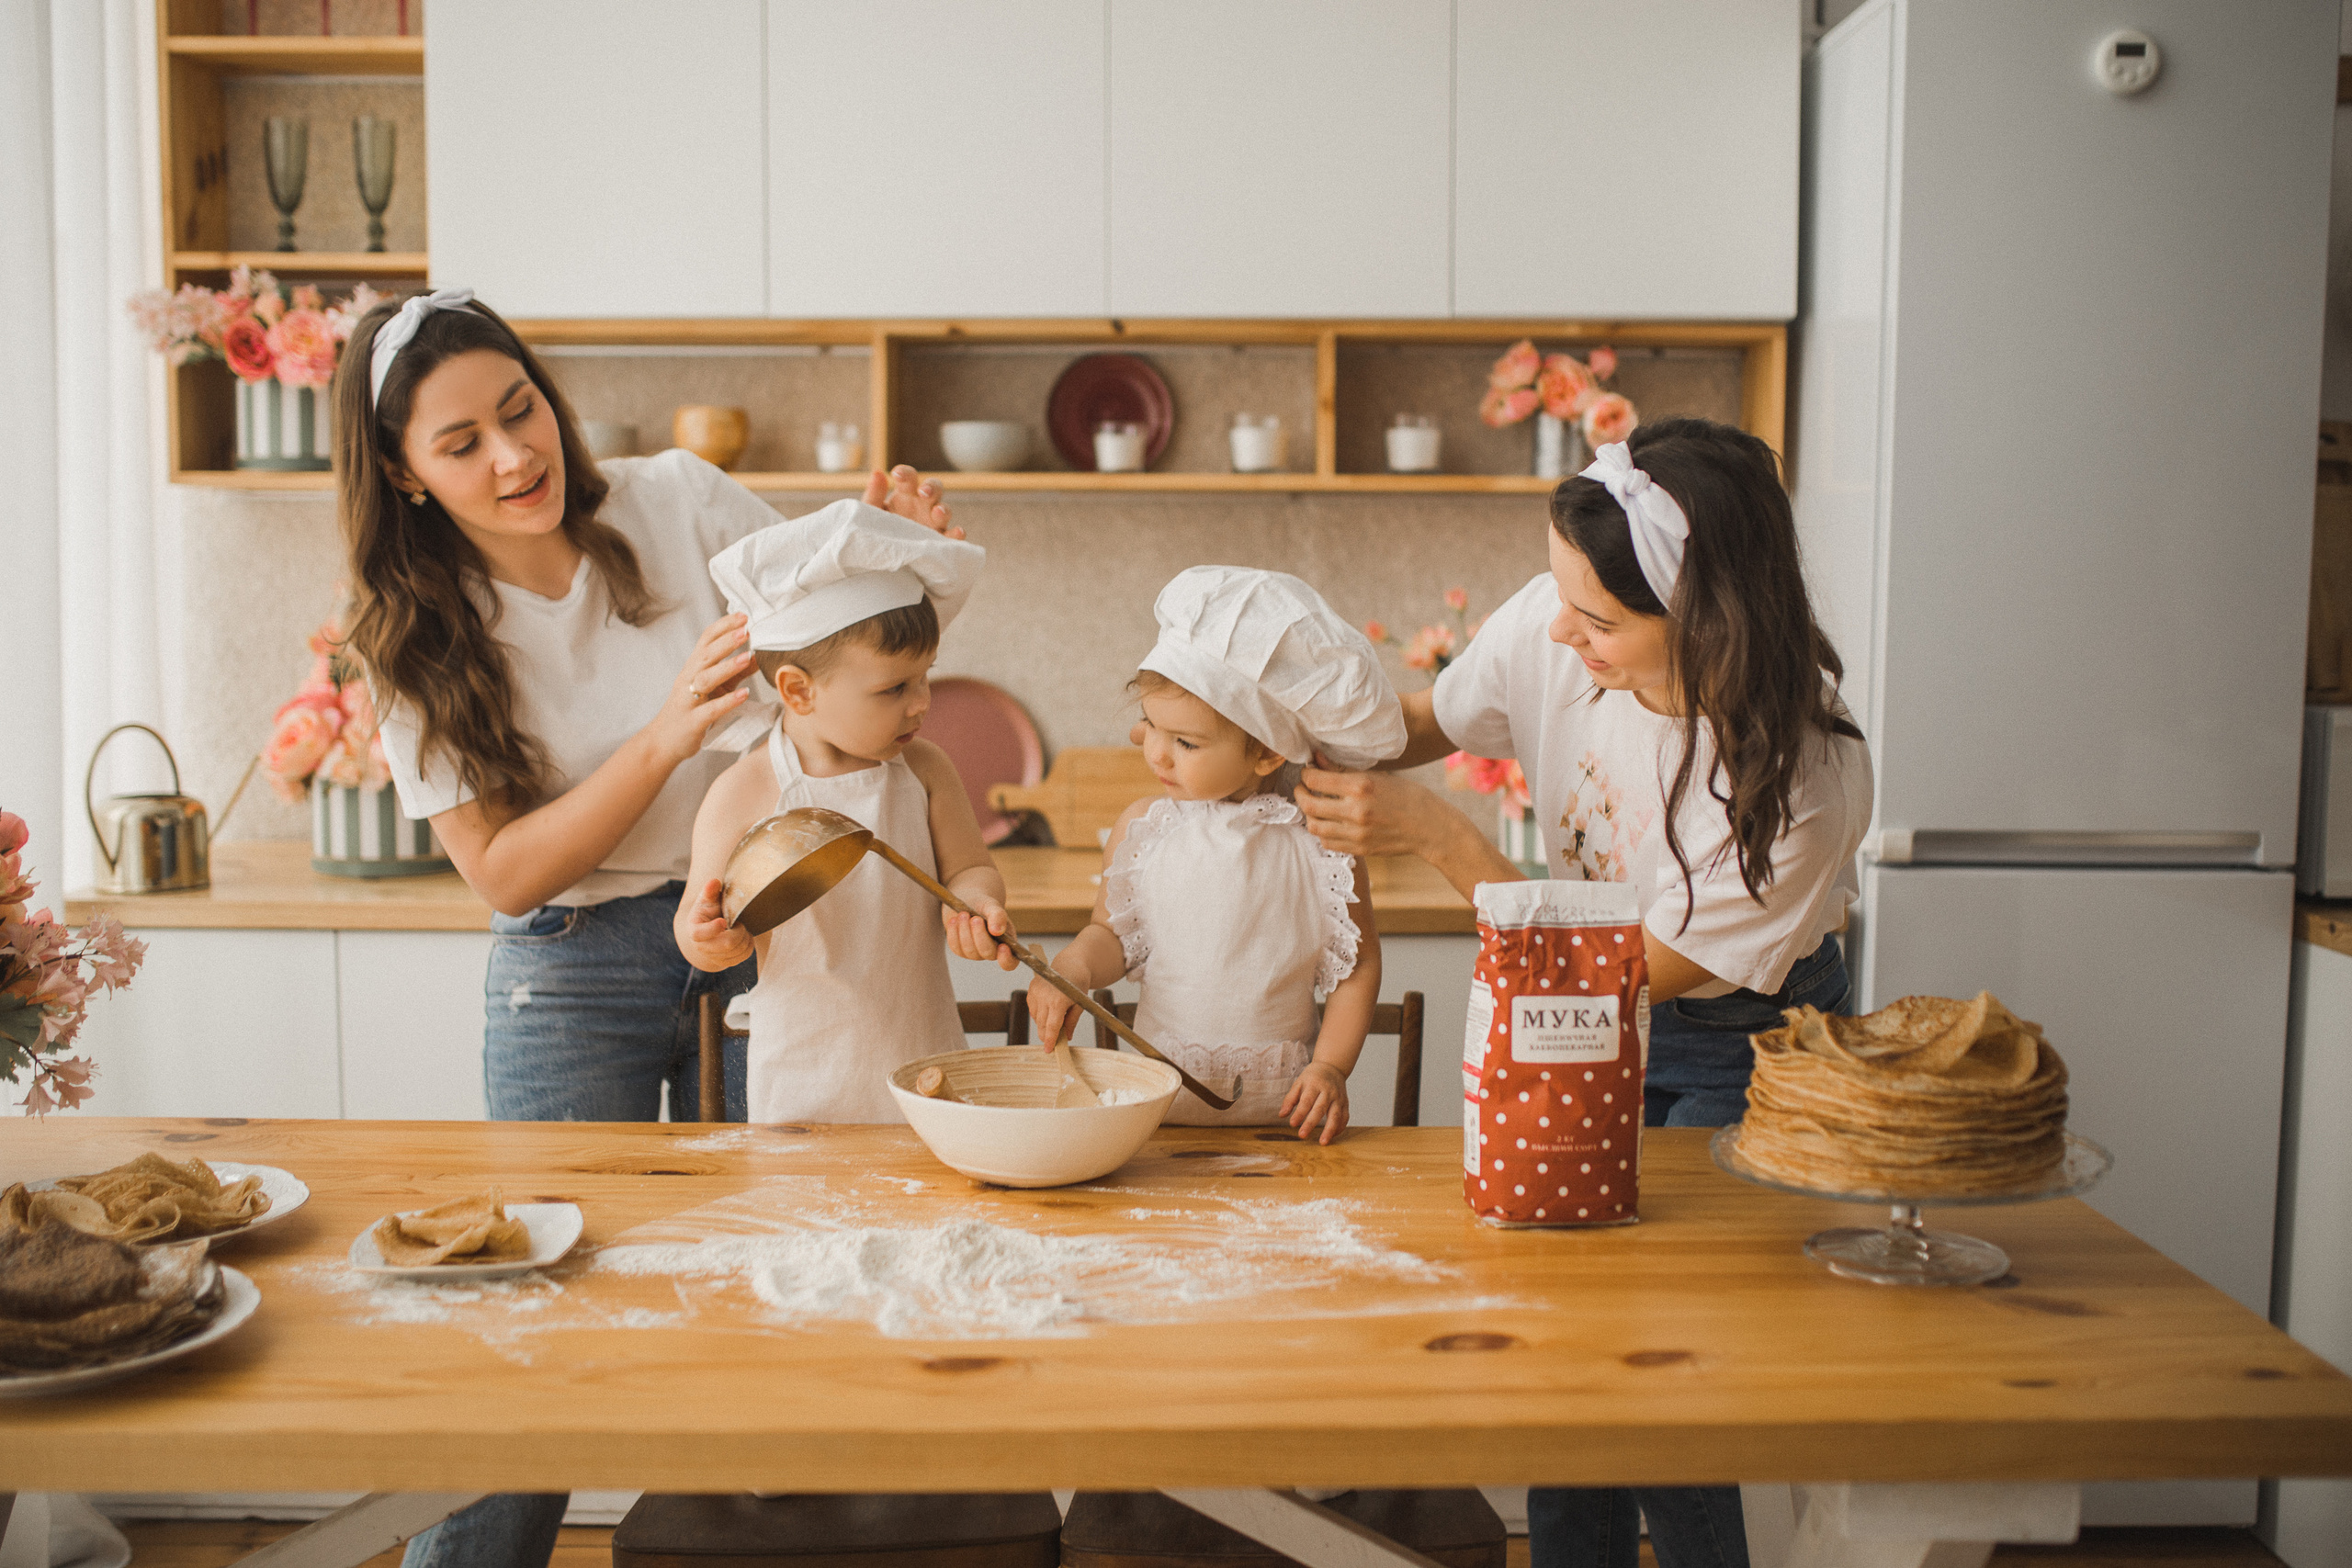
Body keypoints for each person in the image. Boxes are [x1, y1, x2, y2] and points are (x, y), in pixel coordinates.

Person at [332, 288, 956, 1568]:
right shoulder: (409, 635)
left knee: (794, 1276)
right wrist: (665, 734)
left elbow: (833, 666)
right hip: (573, 973)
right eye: (462, 443)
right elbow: (504, 871)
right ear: (400, 472)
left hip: (771, 933)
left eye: (520, 409)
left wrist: (895, 554)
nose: (515, 455)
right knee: (535, 1326)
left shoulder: (679, 498)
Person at [1293, 418, 1873, 1568]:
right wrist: (1268, 737)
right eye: (1560, 597)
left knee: (1668, 1370)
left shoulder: (1804, 774)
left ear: (1708, 621)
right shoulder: (1568, 612)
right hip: (1584, 1008)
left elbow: (1617, 983)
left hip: (1737, 1045)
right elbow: (1429, 723)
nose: (1560, 632)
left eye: (1599, 621)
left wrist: (1443, 843)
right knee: (1566, 1346)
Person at [1028, 567, 1401, 1141]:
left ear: (1267, 755)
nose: (1158, 753)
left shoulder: (1321, 845)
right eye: (1150, 726)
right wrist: (1073, 969)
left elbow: (1357, 970)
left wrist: (1331, 1066)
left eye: (1186, 743)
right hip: (1155, 1117)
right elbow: (1111, 937)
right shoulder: (1145, 829)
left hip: (1284, 1127)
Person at [674, 500, 1017, 1119]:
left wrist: (979, 901)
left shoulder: (924, 772)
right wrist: (710, 940)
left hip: (922, 1059)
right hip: (803, 1078)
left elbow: (970, 867)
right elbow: (696, 925)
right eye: (894, 688)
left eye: (925, 676)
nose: (921, 704)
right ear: (798, 691)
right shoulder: (746, 790)